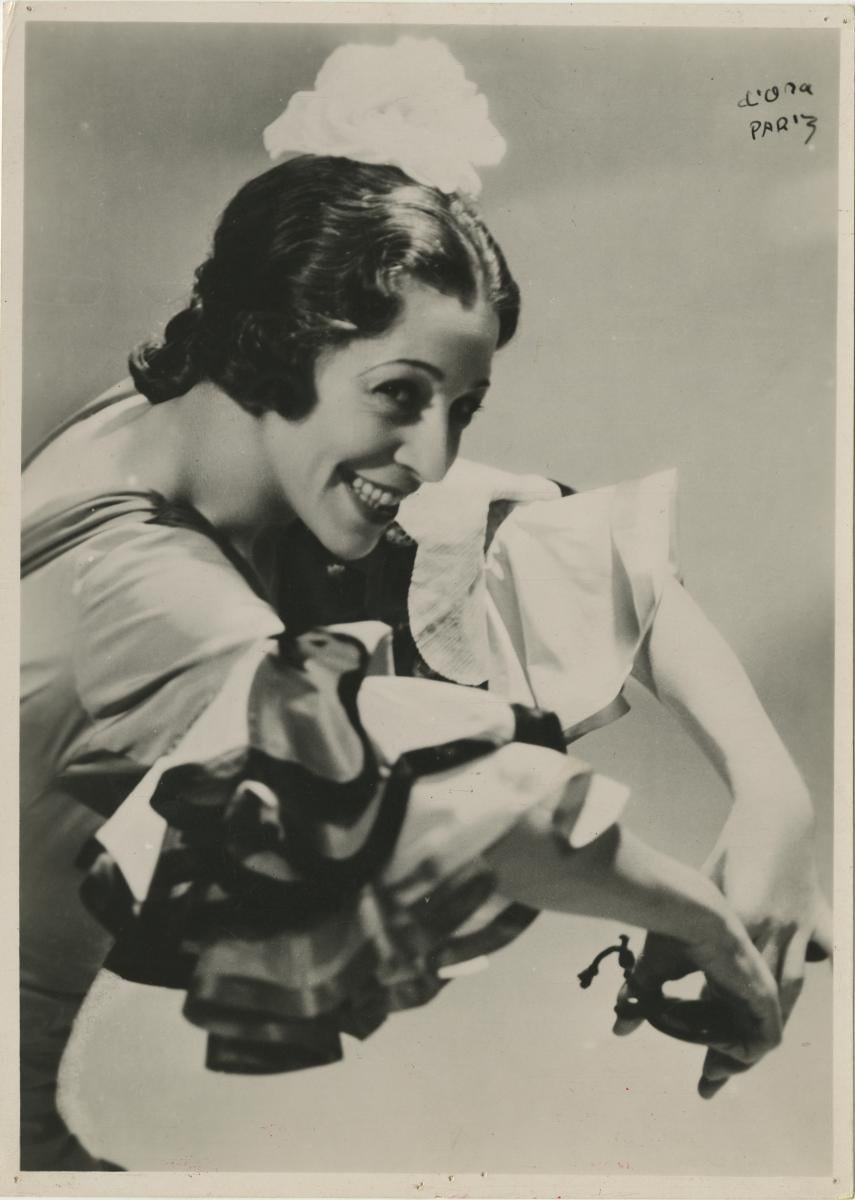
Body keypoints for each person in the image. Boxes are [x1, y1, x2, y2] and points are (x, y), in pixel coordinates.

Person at [20, 37, 830, 1172]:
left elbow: (541, 537)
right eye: (401, 396)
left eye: (460, 407)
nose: (435, 456)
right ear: (274, 340)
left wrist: (775, 792)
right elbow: (461, 808)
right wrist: (706, 923)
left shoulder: (185, 425)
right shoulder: (138, 587)